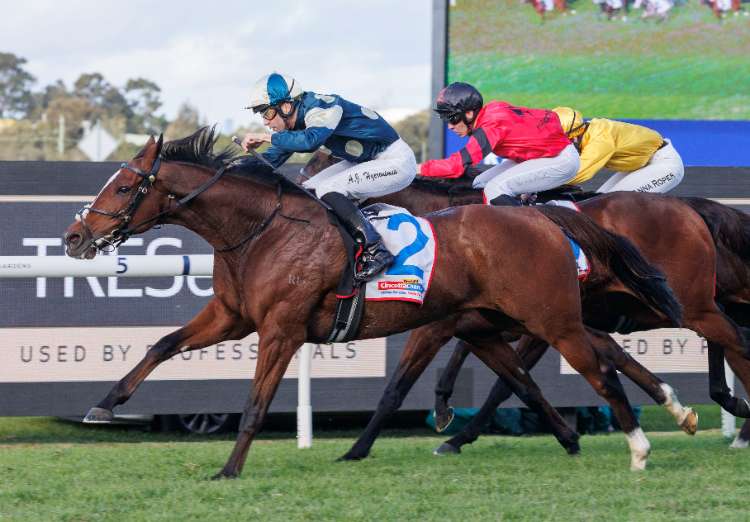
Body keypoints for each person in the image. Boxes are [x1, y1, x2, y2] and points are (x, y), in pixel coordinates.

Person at [238, 73, 417, 283]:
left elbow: (310, 141)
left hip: (395, 161)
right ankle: (336, 249)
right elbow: (270, 160)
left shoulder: (322, 107)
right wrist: (231, 168)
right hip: (367, 161)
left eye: (267, 113)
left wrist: (264, 137)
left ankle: (376, 250)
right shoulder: (297, 120)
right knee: (308, 191)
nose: (265, 122)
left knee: (328, 189)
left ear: (286, 106)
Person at [420, 82, 579, 206]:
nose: (450, 126)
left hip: (560, 159)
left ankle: (528, 235)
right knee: (479, 184)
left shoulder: (491, 125)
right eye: (446, 120)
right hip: (545, 156)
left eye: (452, 118)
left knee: (494, 190)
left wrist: (418, 169)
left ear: (469, 113)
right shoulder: (491, 110)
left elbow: (455, 167)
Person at [553, 107, 684, 193]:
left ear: (574, 135)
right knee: (598, 201)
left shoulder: (600, 138)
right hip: (642, 164)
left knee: (615, 207)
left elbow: (580, 172)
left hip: (663, 166)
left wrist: (544, 183)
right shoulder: (583, 130)